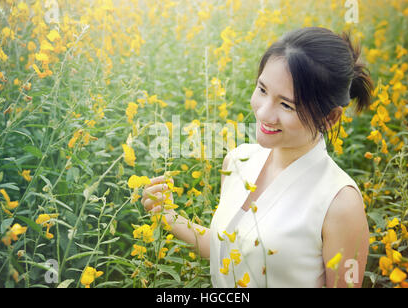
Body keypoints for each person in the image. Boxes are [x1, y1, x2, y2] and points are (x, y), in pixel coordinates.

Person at [141, 27, 372, 288]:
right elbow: (230, 250)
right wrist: (169, 216)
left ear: (330, 118)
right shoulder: (238, 161)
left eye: (286, 105)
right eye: (262, 90)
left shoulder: (340, 203)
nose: (263, 113)